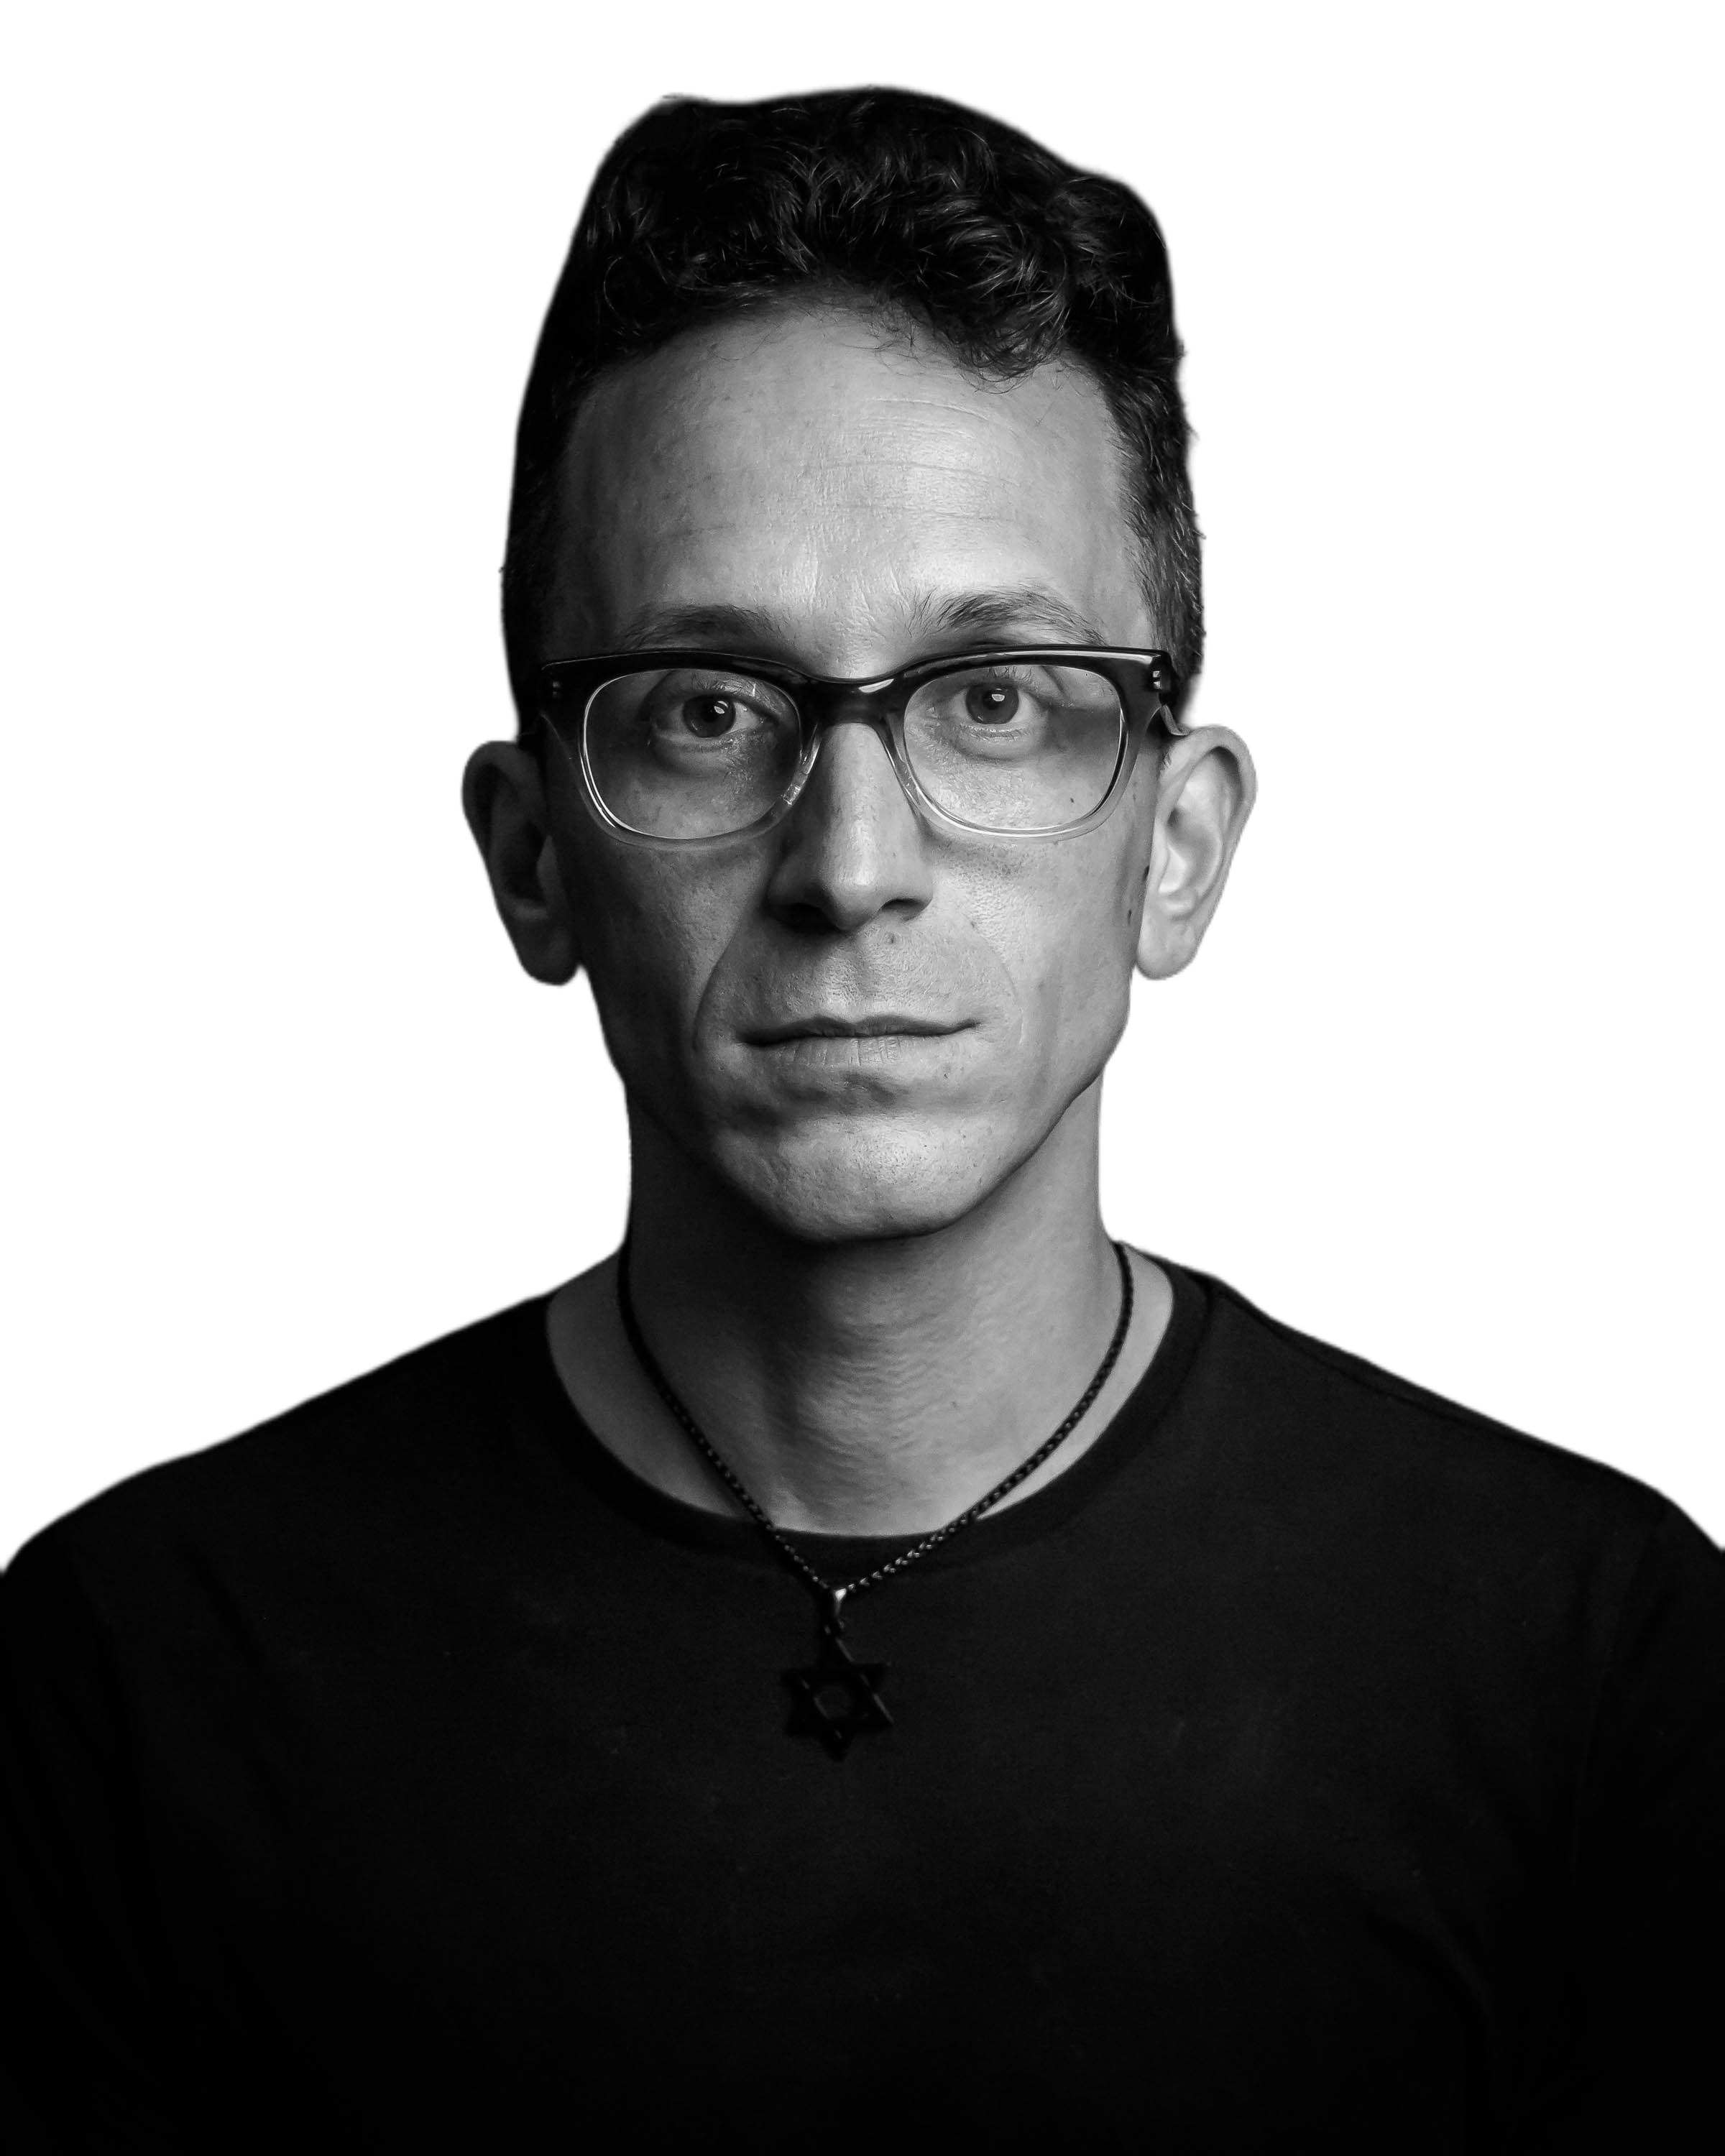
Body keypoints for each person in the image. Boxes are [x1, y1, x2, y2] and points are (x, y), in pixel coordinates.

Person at [4, 82, 1720, 2154]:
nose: (854, 866)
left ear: (1178, 852)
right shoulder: (158, 1663)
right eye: (713, 710)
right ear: (531, 857)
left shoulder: (1579, 1645)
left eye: (992, 700)